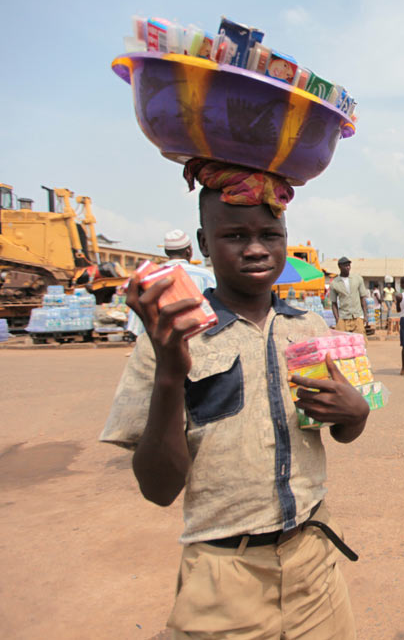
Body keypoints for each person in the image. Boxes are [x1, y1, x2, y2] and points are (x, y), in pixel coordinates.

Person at [102, 160, 369, 638]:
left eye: (270, 234)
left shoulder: (308, 328)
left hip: (315, 562)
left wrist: (357, 414)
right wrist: (169, 375)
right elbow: (158, 489)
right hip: (224, 575)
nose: (255, 249)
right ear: (204, 244)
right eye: (234, 236)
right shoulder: (171, 339)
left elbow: (339, 429)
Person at [126, 229, 216, 337]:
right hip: (199, 336)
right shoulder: (205, 275)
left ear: (166, 252)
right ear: (189, 251)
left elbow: (137, 323)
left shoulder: (150, 277)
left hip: (159, 340)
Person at [329, 256, 370, 340]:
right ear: (340, 267)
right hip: (343, 317)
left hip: (357, 316)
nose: (348, 267)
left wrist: (365, 316)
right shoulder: (334, 283)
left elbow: (363, 298)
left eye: (349, 265)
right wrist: (337, 319)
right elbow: (334, 303)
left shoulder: (357, 279)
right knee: (341, 342)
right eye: (345, 265)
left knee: (360, 342)